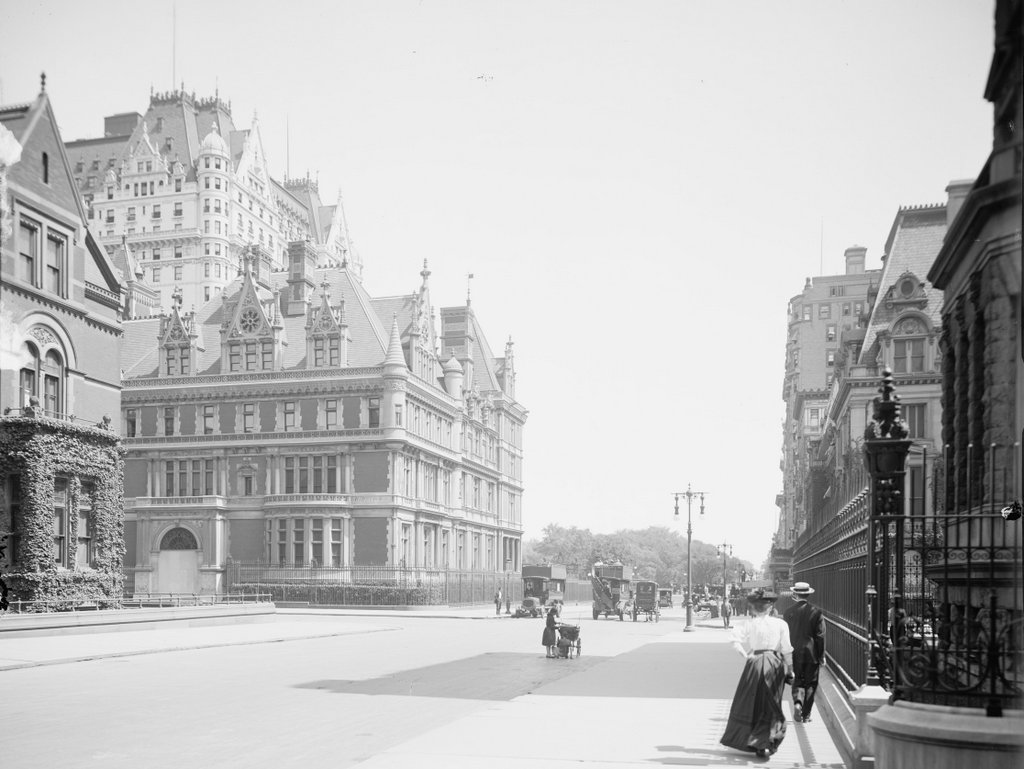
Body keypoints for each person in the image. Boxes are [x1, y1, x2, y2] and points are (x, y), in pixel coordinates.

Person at [720, 588, 794, 759]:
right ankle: (767, 740)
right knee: (771, 702)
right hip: (774, 664)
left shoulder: (749, 624)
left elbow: (734, 640)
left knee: (752, 701)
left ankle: (755, 741)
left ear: (754, 608)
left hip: (754, 663)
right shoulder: (781, 624)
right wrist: (790, 670)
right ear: (770, 608)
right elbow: (787, 649)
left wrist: (746, 655)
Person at [783, 581, 825, 723]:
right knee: (811, 683)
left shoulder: (788, 612)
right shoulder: (816, 612)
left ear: (795, 594)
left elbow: (785, 635)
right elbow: (820, 636)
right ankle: (806, 714)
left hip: (794, 652)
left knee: (797, 680)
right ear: (808, 594)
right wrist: (821, 655)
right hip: (811, 653)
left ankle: (797, 703)